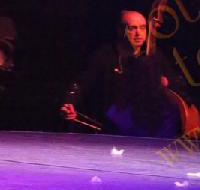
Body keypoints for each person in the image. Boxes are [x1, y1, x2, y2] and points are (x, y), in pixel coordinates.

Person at [60, 9, 189, 138]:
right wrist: (70, 102)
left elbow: (178, 84)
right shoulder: (104, 57)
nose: (138, 33)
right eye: (132, 28)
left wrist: (167, 82)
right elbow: (81, 83)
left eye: (143, 28)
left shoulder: (154, 58)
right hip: (110, 130)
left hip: (143, 132)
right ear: (120, 30)